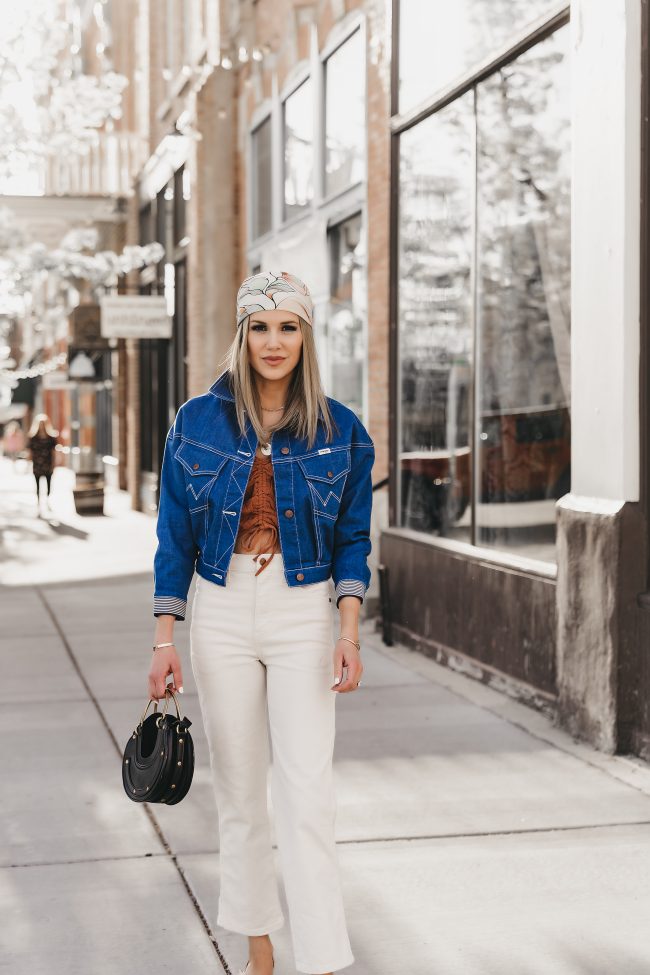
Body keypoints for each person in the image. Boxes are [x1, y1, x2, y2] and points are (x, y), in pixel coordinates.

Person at [148, 270, 374, 975]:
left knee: (307, 792)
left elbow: (353, 542)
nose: (274, 341)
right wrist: (164, 638)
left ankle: (324, 959)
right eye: (260, 326)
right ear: (241, 335)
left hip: (304, 608)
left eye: (289, 326)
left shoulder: (342, 430)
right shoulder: (197, 421)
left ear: (306, 336)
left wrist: (347, 629)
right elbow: (173, 536)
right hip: (220, 608)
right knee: (241, 791)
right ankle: (258, 947)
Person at [26, 413, 59, 514]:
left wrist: (54, 464)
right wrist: (28, 464)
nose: (41, 426)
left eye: (43, 424)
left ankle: (48, 500)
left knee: (49, 484)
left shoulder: (51, 438)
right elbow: (30, 452)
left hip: (48, 463)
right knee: (37, 484)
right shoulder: (33, 437)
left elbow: (54, 452)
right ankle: (38, 502)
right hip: (37, 464)